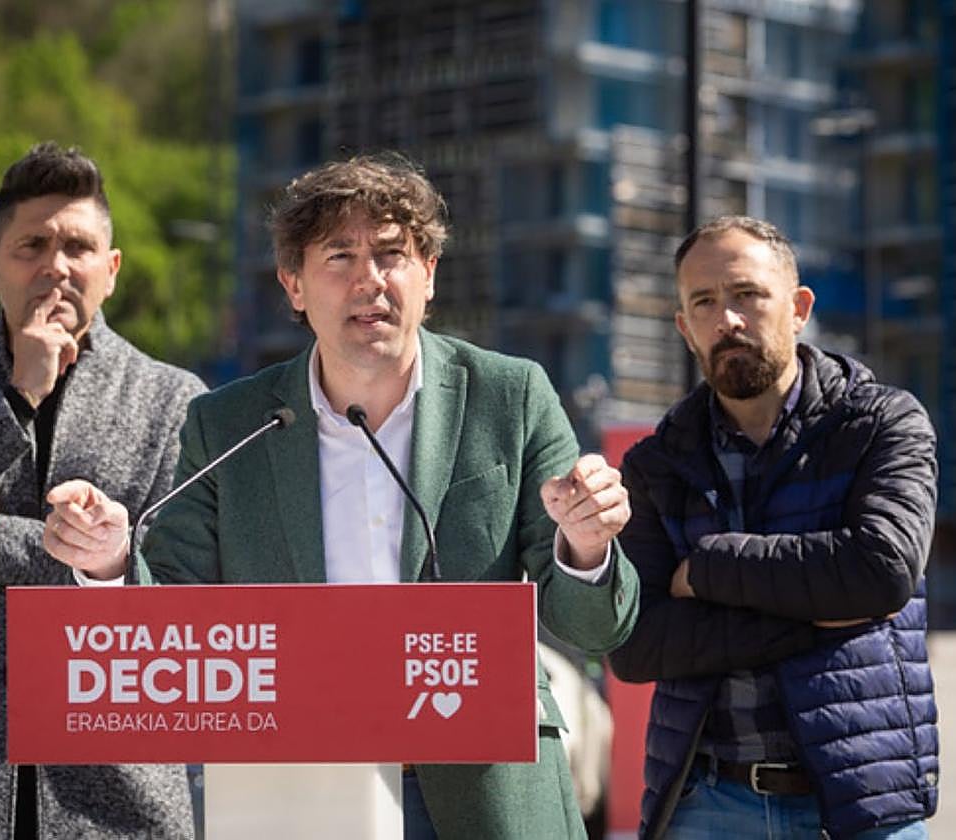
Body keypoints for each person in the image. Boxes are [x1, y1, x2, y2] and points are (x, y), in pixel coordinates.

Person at [44, 153, 640, 839]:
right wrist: (110, 562)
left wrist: (585, 547)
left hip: (486, 795)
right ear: (294, 286)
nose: (369, 280)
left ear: (429, 276)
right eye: (340, 257)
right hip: (300, 794)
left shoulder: (511, 397)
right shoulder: (229, 424)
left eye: (391, 254)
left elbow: (595, 629)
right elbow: (175, 614)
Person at [0, 142, 205, 838]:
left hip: (116, 799)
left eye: (78, 247)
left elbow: (171, 586)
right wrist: (18, 395)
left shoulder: (173, 401)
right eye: (32, 246)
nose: (56, 265)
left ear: (111, 271)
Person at [609, 216, 939, 840]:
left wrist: (707, 569)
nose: (727, 319)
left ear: (798, 308)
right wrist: (819, 612)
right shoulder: (656, 465)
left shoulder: (882, 423)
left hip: (862, 801)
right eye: (704, 303)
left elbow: (880, 573)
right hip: (707, 803)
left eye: (747, 294)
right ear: (684, 328)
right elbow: (636, 645)